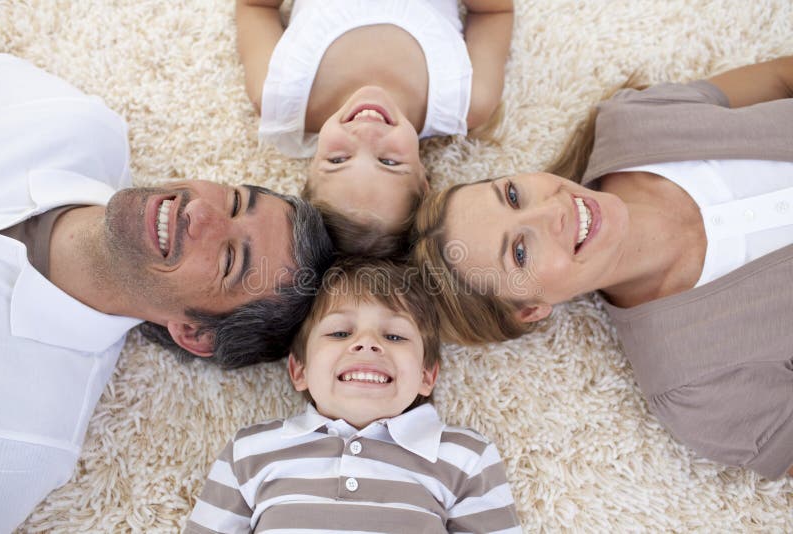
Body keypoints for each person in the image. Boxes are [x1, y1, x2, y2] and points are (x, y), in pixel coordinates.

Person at [0, 54, 333, 533]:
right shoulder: (72, 125)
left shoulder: (23, 437)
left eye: (229, 259)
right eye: (235, 201)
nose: (203, 214)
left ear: (193, 332)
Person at [412, 56, 793, 480]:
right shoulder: (695, 390)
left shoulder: (634, 123)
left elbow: (782, 76)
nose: (552, 209)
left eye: (514, 195)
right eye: (520, 252)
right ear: (531, 310)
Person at [184, 258, 522, 533]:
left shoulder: (464, 458)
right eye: (340, 332)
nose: (367, 343)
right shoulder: (251, 451)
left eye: (394, 336)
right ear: (299, 370)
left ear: (426, 375)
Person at [236, 0, 513, 256]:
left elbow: (255, 6)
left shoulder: (279, 93)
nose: (367, 134)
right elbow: (494, 12)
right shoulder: (467, 100)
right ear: (423, 180)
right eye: (389, 161)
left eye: (339, 159)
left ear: (310, 171)